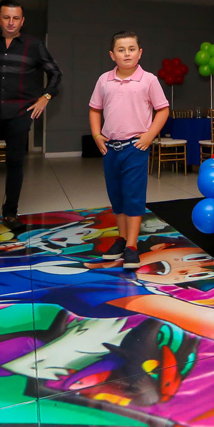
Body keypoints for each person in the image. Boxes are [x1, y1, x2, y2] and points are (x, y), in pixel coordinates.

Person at [0, 0, 61, 235]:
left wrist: (45, 97)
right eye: (6, 17)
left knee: (15, 163)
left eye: (16, 18)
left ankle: (10, 212)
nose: (11, 22)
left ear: (22, 21)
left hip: (19, 114)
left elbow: (55, 73)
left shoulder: (34, 45)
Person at [88, 31, 170, 269]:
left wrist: (149, 135)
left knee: (133, 196)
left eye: (131, 49)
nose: (127, 54)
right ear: (112, 55)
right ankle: (122, 239)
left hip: (135, 147)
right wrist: (97, 135)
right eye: (121, 50)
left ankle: (132, 246)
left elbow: (163, 109)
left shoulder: (148, 80)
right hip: (111, 149)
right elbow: (95, 109)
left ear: (139, 53)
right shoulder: (104, 80)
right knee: (117, 197)